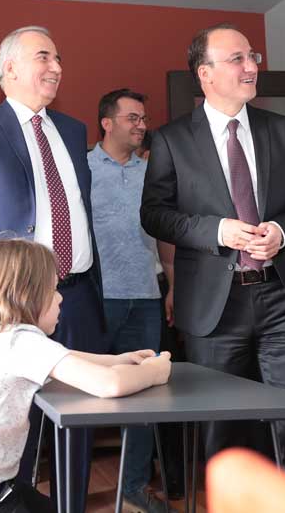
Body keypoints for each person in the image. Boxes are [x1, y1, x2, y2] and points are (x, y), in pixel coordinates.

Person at [141, 22, 285, 482]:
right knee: (220, 429)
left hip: (282, 297)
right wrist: (217, 230)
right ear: (205, 73)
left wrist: (281, 231)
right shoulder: (171, 139)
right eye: (237, 59)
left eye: (252, 57)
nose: (251, 67)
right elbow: (155, 215)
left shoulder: (282, 130)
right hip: (213, 306)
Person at [0, 25, 104, 511]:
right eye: (43, 57)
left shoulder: (72, 130)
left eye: (59, 58)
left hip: (77, 295)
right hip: (10, 305)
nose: (56, 67)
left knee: (80, 420)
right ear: (9, 68)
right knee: (15, 426)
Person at [0, 238, 171, 513]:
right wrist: (154, 372)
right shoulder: (19, 341)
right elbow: (111, 385)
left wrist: (118, 359)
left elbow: (63, 357)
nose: (60, 298)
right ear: (25, 296)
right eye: (53, 290)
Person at [88, 89, 172, 511]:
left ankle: (134, 488)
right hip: (95, 299)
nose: (141, 125)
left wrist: (172, 285)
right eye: (132, 118)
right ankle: (73, 488)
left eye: (143, 119)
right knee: (82, 395)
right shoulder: (81, 168)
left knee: (144, 395)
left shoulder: (153, 174)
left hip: (146, 299)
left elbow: (165, 233)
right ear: (107, 123)